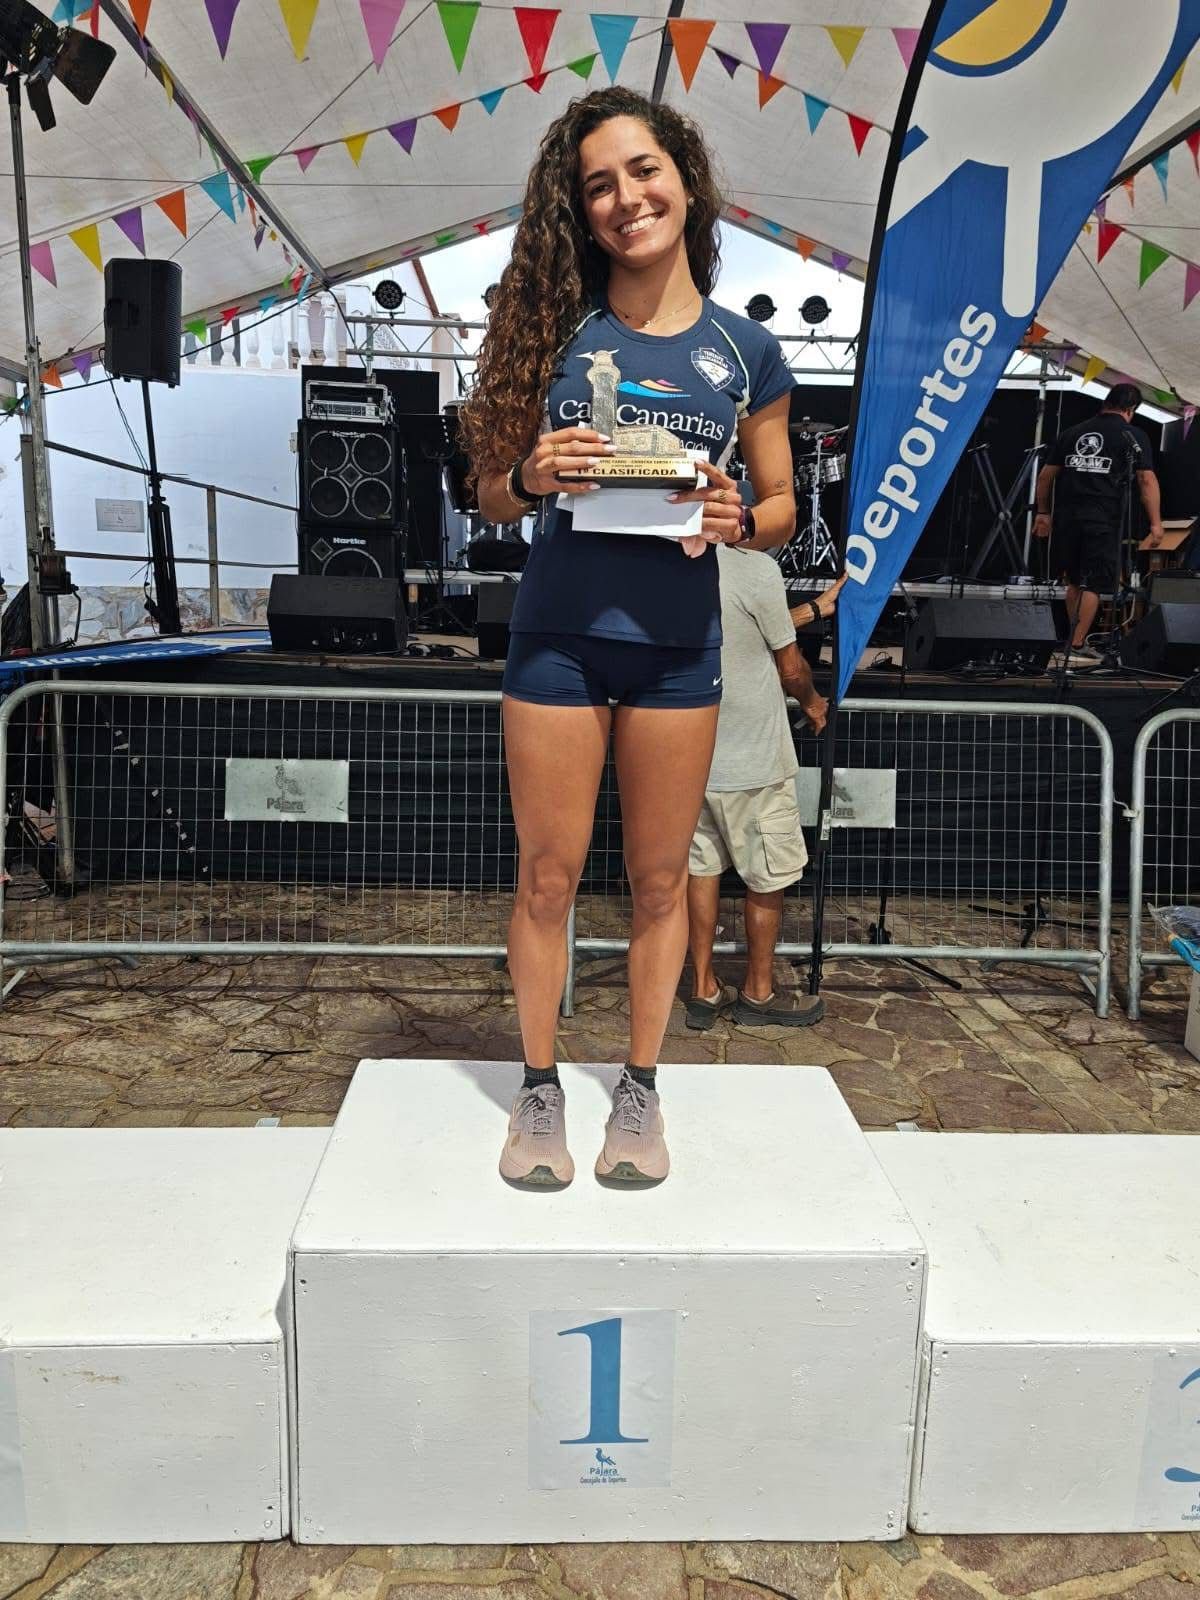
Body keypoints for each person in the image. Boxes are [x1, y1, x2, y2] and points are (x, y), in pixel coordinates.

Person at [460, 87, 798, 1189]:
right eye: (598, 183)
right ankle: (543, 1087)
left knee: (661, 885)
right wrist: (526, 473)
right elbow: (490, 494)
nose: (625, 197)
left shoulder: (746, 349)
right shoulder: (552, 331)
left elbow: (785, 504)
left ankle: (641, 1087)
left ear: (685, 179)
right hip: (554, 642)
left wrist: (736, 512)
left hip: (676, 654)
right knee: (547, 878)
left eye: (642, 170)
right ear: (580, 208)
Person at [686, 563, 841, 1030]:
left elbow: (738, 622)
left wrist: (811, 610)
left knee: (701, 871)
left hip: (692, 758)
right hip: (752, 758)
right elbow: (791, 668)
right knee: (768, 877)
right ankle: (757, 993)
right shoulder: (755, 570)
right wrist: (813, 704)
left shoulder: (671, 563)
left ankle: (703, 989)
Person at [1033, 382, 1164, 657]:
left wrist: (1043, 513)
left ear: (1106, 402)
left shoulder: (1072, 432)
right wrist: (1155, 523)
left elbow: (1045, 477)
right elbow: (1146, 480)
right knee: (1092, 582)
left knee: (1073, 580)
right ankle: (1078, 643)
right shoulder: (1133, 435)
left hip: (1067, 518)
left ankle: (1073, 639)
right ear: (1130, 410)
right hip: (1102, 519)